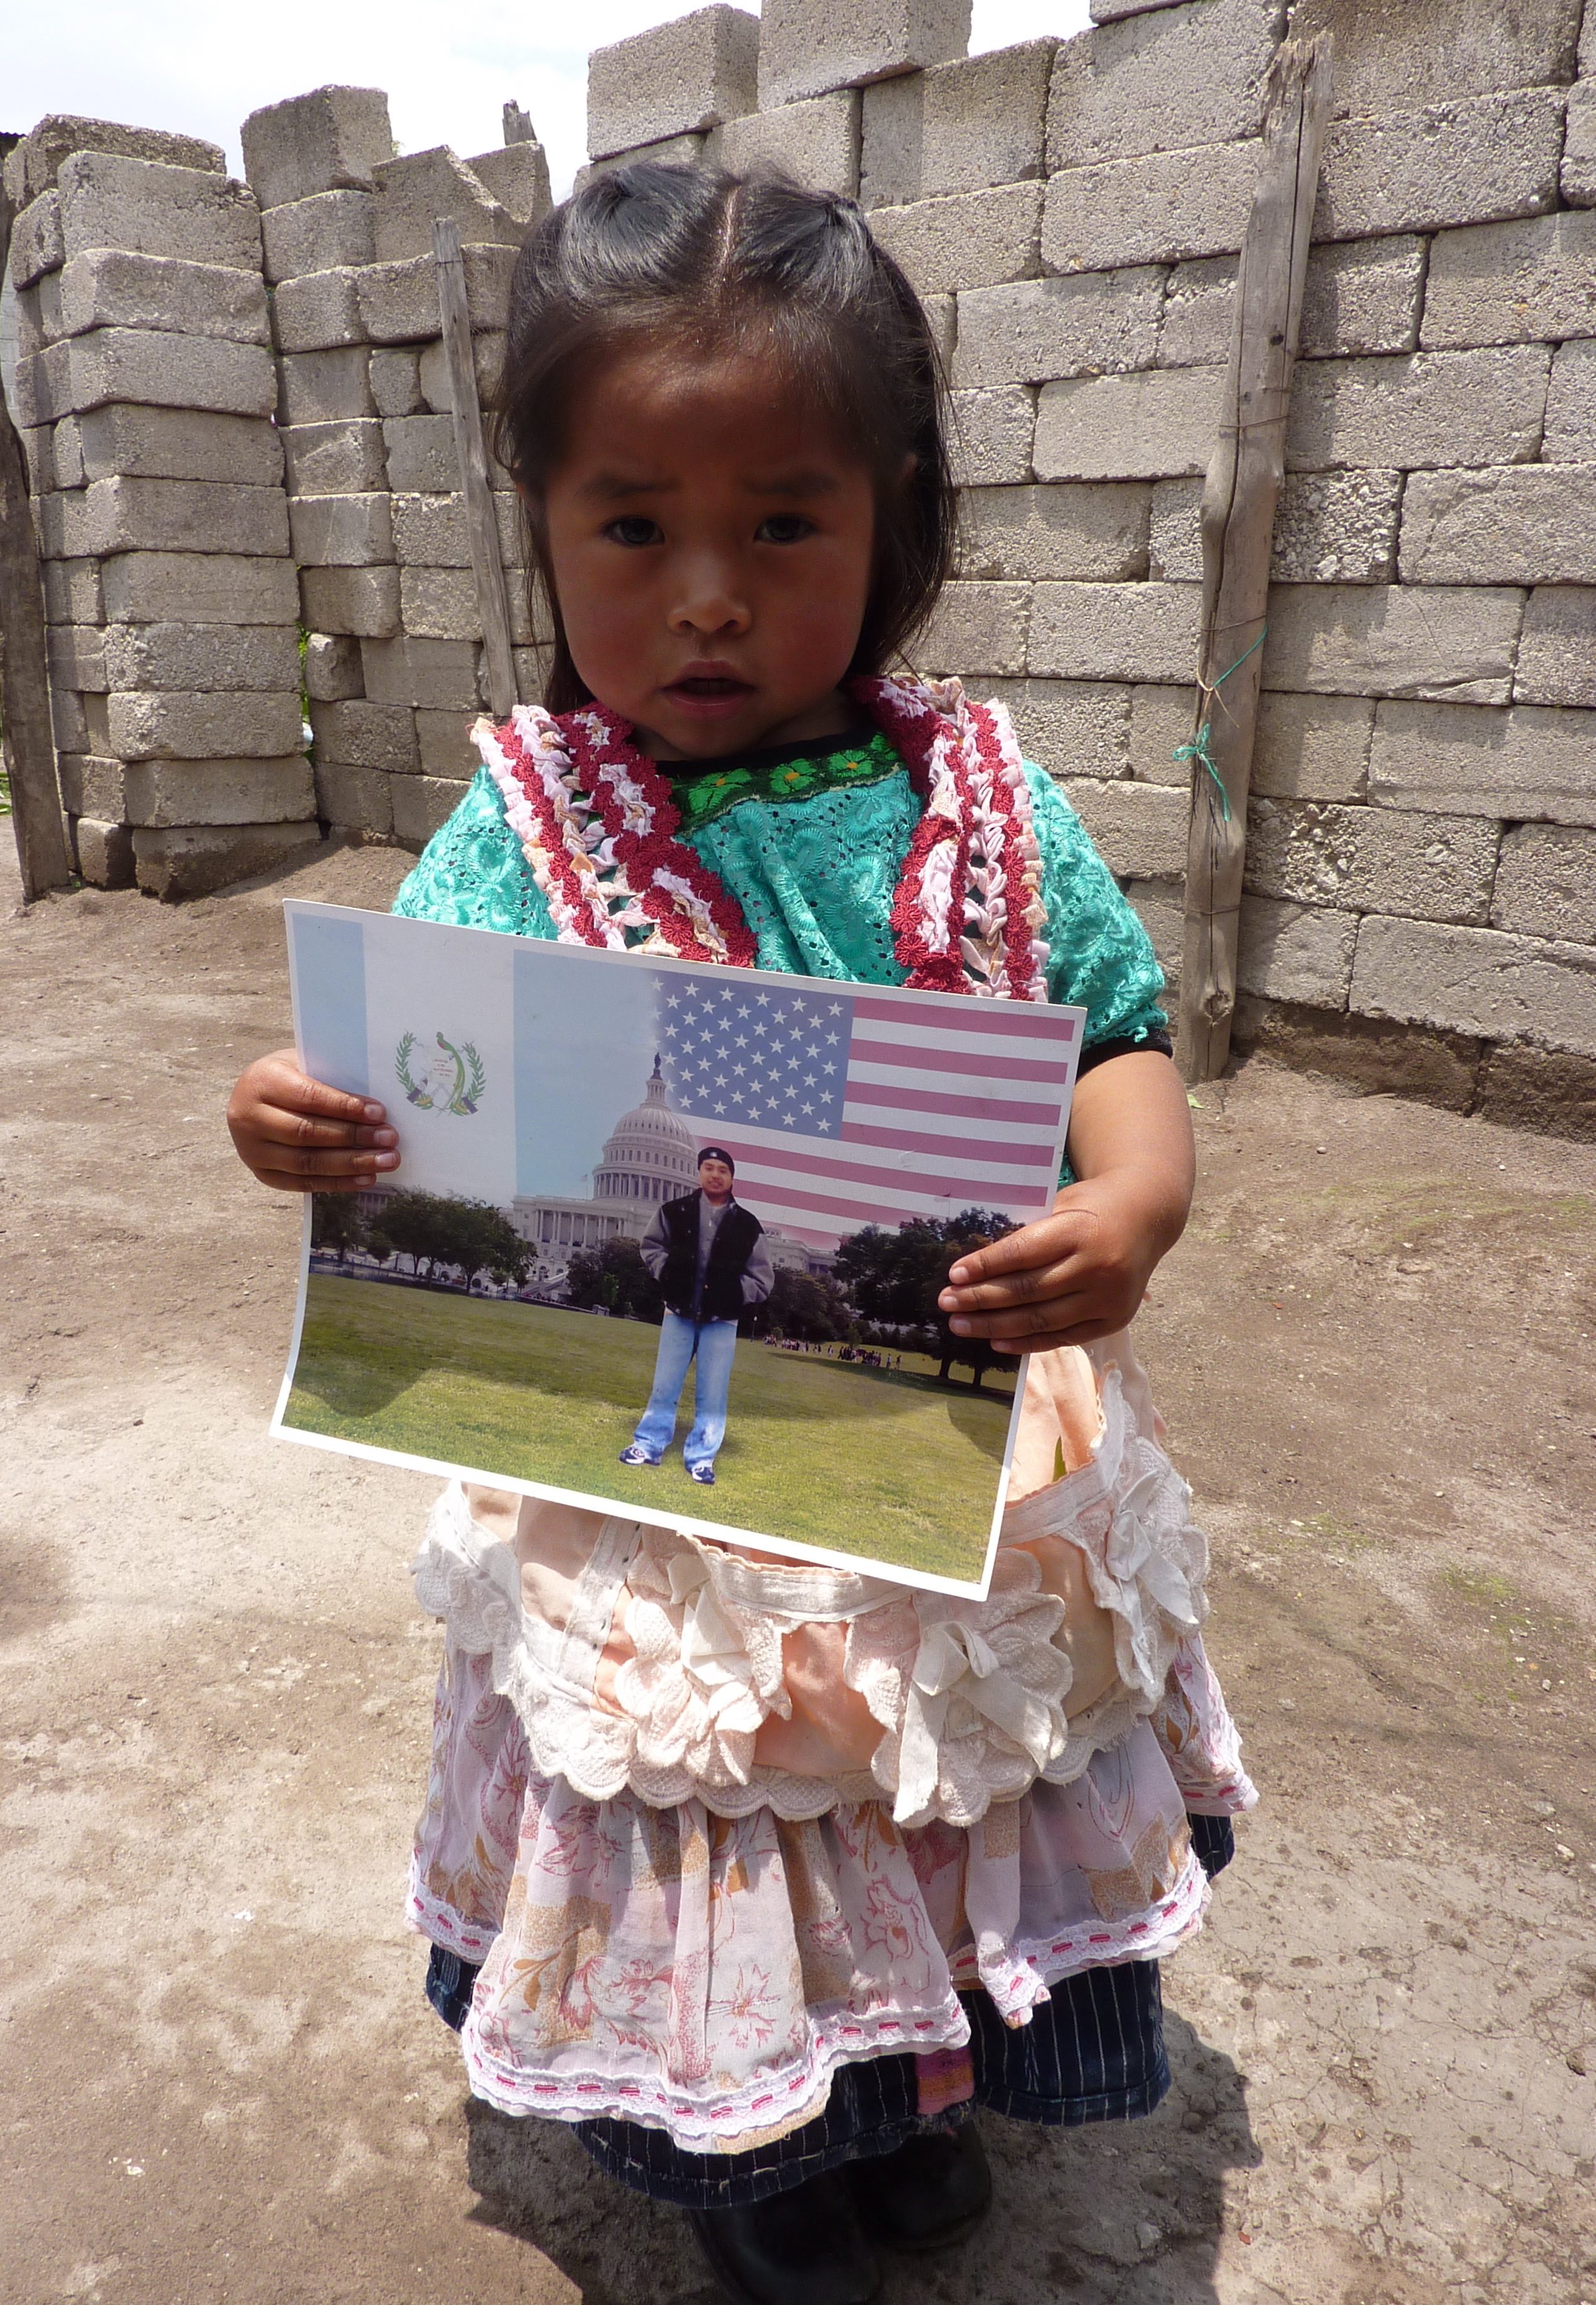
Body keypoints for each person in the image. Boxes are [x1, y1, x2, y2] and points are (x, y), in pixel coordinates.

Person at [226, 164, 1255, 2305]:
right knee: (724, 1807)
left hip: (957, 1458)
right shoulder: (518, 826)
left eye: (779, 524)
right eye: (631, 526)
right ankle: (766, 2154)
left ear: (893, 517)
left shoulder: (991, 798)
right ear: (542, 526)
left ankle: (921, 2097)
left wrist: (1133, 1194)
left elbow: (1121, 1035)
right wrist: (305, 1123)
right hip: (659, 1513)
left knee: (933, 1795)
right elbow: (417, 1075)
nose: (704, 593)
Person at [622, 1144, 773, 1485]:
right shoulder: (673, 1211)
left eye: (723, 1171)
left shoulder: (749, 1225)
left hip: (722, 1320)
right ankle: (648, 1445)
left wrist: (734, 1294)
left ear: (732, 1178)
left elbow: (762, 1279)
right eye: (709, 1168)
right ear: (699, 1172)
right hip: (678, 1312)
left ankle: (702, 1458)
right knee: (665, 1384)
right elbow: (651, 1247)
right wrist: (668, 1274)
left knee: (713, 1391)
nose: (715, 1175)